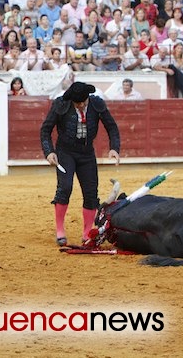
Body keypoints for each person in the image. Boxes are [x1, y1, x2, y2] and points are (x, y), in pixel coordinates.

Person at [40, 82, 121, 247]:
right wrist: (49, 151)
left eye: (84, 101)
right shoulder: (61, 104)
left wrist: (114, 148)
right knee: (65, 188)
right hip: (65, 152)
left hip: (86, 153)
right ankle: (60, 230)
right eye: (78, 103)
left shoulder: (96, 103)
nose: (82, 105)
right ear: (72, 101)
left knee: (91, 193)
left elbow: (112, 127)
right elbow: (45, 130)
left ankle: (86, 233)